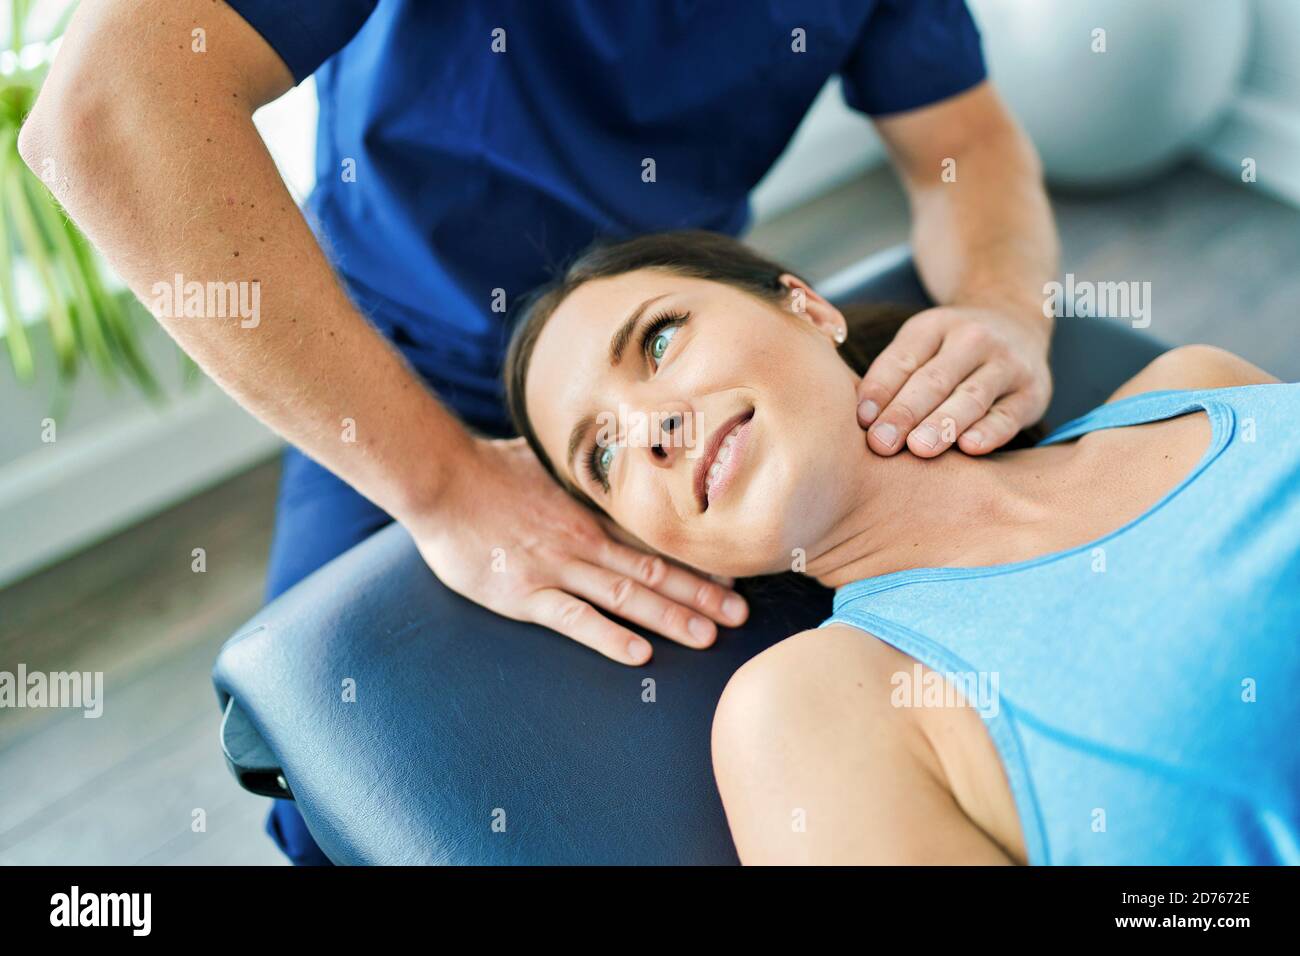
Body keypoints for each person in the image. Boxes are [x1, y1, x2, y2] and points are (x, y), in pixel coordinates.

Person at [21, 1, 1056, 864]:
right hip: (401, 362)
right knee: (330, 787)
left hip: (659, 324)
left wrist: (1004, 304)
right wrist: (445, 488)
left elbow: (959, 144)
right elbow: (110, 110)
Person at [503, 230, 1300, 865]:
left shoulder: (1197, 383)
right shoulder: (802, 713)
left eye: (660, 341)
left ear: (808, 308)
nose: (650, 431)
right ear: (673, 548)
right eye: (602, 456)